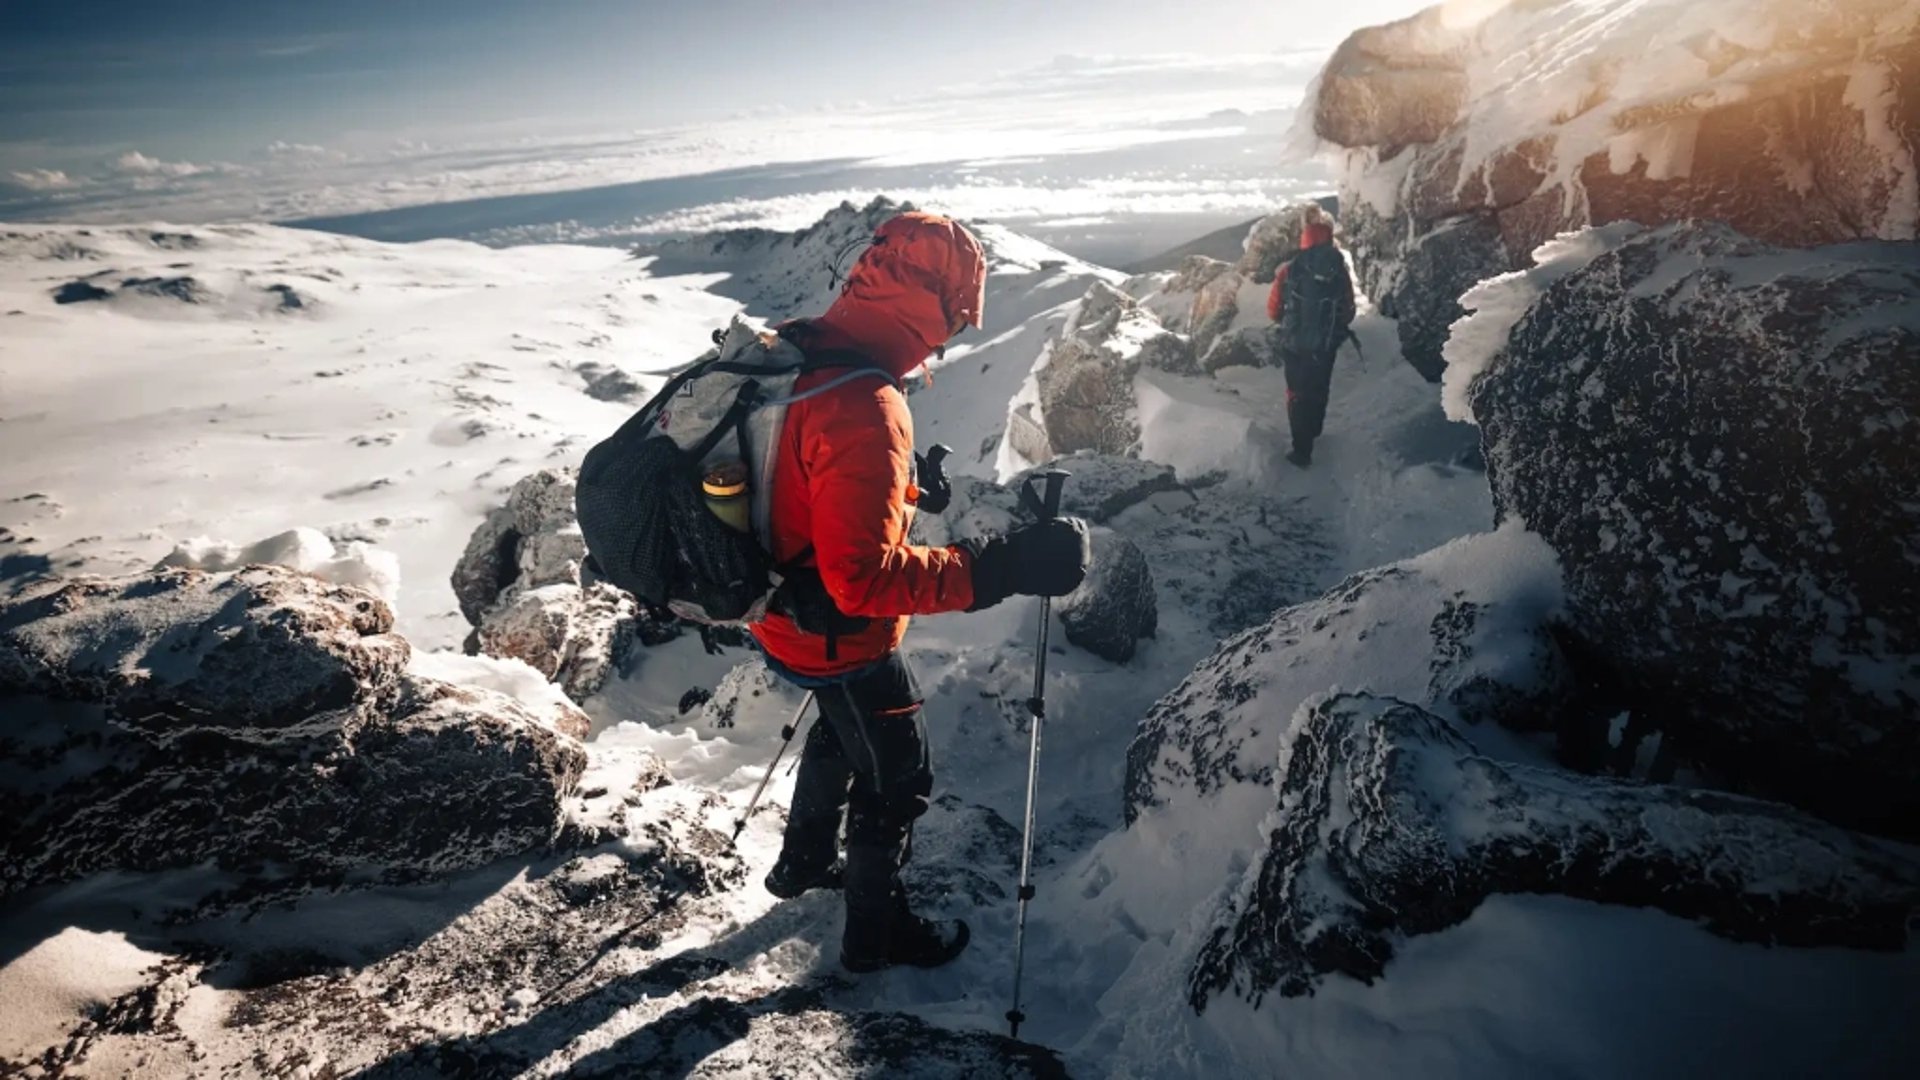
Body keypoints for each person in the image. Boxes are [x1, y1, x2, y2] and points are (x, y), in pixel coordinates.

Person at [753, 211, 1091, 974]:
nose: (948, 344)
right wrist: (1005, 566)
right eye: (954, 322)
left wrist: (905, 494)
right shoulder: (864, 404)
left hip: (776, 617)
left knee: (843, 729)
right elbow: (863, 579)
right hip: (838, 632)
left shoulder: (797, 343)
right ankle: (876, 936)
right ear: (934, 307)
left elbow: (804, 485)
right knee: (897, 774)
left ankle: (802, 861)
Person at [1266, 214, 1357, 468]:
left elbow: (1273, 310)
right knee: (1319, 387)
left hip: (1294, 345)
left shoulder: (1289, 270)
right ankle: (1314, 429)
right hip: (1325, 345)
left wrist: (1288, 322)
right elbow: (1349, 310)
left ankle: (1301, 449)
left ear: (1304, 240)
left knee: (1297, 392)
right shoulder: (1338, 270)